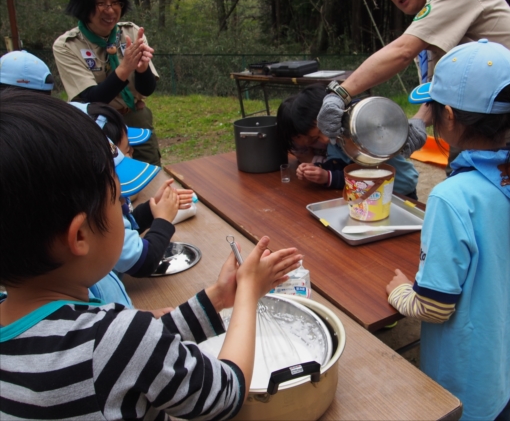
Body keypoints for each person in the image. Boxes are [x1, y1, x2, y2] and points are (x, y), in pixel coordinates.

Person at [0, 90, 302, 419]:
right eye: (118, 202)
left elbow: (134, 353)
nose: (126, 211)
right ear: (81, 235)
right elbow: (225, 393)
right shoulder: (114, 338)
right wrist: (248, 294)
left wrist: (215, 299)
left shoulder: (63, 334)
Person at [385, 40, 510, 420]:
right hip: (503, 358)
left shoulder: (451, 197)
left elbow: (433, 306)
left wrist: (399, 291)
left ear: (448, 116)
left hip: (460, 379)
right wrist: (504, 272)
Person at [317, 0, 510, 176]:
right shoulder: (432, 19)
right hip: (472, 121)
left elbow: (402, 52)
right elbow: (443, 87)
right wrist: (419, 122)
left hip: (508, 116)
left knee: (492, 201)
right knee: (469, 191)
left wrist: (341, 92)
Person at [72, 101, 195, 278]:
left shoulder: (101, 202)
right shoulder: (97, 212)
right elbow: (144, 261)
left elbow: (121, 231)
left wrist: (150, 211)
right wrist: (163, 220)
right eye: (126, 152)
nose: (132, 157)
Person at [53, 0, 161, 166]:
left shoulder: (132, 33)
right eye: (100, 3)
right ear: (82, 4)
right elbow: (92, 98)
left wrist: (142, 68)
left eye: (115, 2)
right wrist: (125, 68)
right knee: (109, 184)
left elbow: (147, 90)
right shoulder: (67, 45)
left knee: (151, 175)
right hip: (98, 126)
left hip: (137, 118)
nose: (110, 10)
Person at [278, 83, 421, 199]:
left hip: (400, 192)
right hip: (374, 195)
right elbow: (337, 164)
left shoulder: (363, 128)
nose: (326, 139)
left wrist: (328, 177)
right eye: (316, 138)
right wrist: (318, 169)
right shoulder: (335, 135)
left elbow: (363, 175)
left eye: (322, 131)